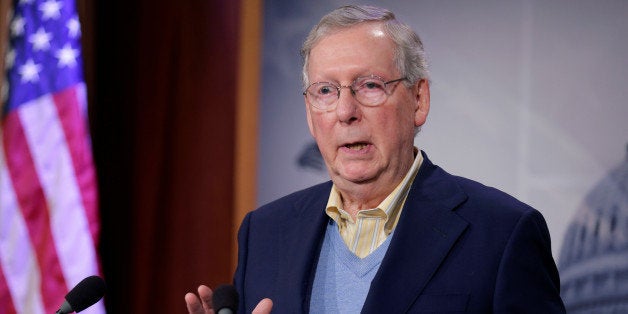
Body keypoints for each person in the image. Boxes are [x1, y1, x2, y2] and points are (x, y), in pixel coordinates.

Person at [186, 4, 566, 313]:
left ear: (419, 101)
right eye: (325, 90)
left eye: (369, 85)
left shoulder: (502, 233)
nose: (345, 111)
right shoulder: (266, 232)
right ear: (309, 113)